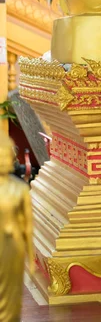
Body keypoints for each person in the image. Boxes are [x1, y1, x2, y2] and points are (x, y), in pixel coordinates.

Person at [0, 131, 34, 322]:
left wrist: (30, 256)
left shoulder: (20, 189)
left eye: (7, 156)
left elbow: (27, 226)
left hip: (12, 247)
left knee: (12, 293)